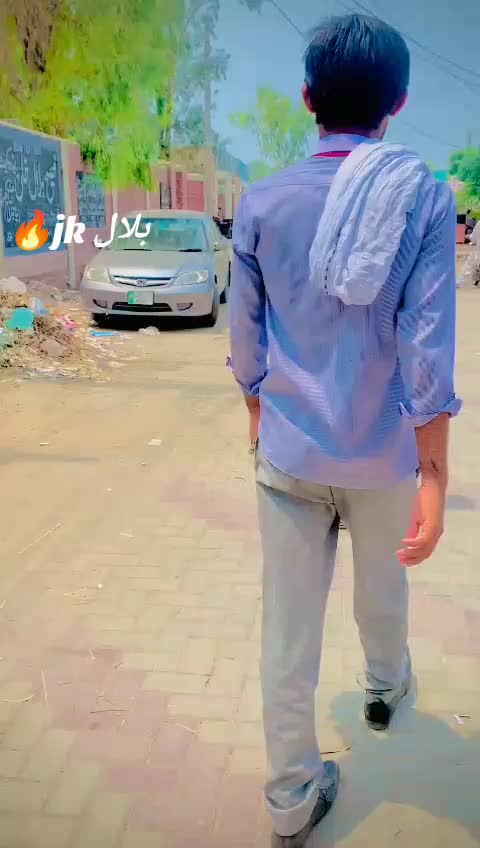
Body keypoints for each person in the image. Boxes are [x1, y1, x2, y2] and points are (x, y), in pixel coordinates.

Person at [229, 13, 461, 848]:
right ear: (398, 103)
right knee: (382, 595)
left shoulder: (262, 201)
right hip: (383, 458)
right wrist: (435, 479)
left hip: (289, 457)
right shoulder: (423, 198)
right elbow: (427, 348)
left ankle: (291, 798)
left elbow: (246, 346)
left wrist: (261, 419)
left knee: (287, 633)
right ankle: (385, 689)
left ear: (307, 99)